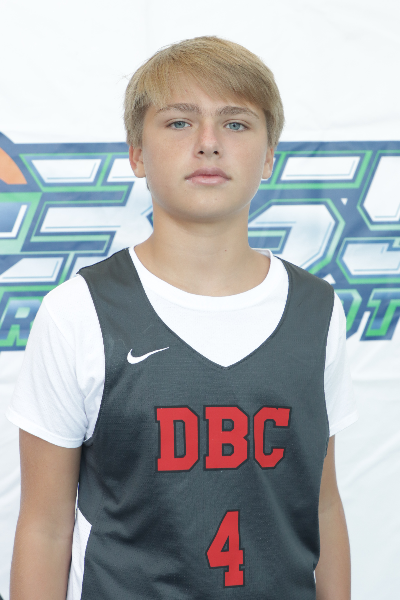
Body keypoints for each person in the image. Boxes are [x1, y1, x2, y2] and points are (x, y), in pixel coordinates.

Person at [7, 36, 358, 600]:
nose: (208, 143)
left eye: (236, 124)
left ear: (270, 155)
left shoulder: (317, 309)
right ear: (137, 154)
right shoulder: (78, 311)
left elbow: (323, 506)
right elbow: (45, 528)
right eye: (178, 122)